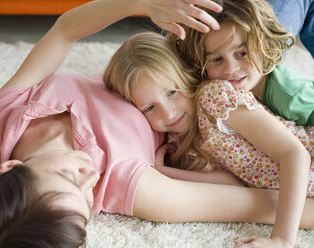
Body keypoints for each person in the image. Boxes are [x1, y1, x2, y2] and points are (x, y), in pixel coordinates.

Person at [103, 30, 314, 247]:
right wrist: (163, 172)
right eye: (149, 107)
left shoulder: (214, 98)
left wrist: (282, 239)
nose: (168, 113)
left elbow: (295, 154)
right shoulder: (180, 142)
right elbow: (232, 185)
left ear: (186, 75)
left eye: (172, 92)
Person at [167, 0, 314, 126]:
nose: (230, 69)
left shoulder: (291, 98)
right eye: (217, 59)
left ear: (264, 47)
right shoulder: (214, 89)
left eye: (242, 53)